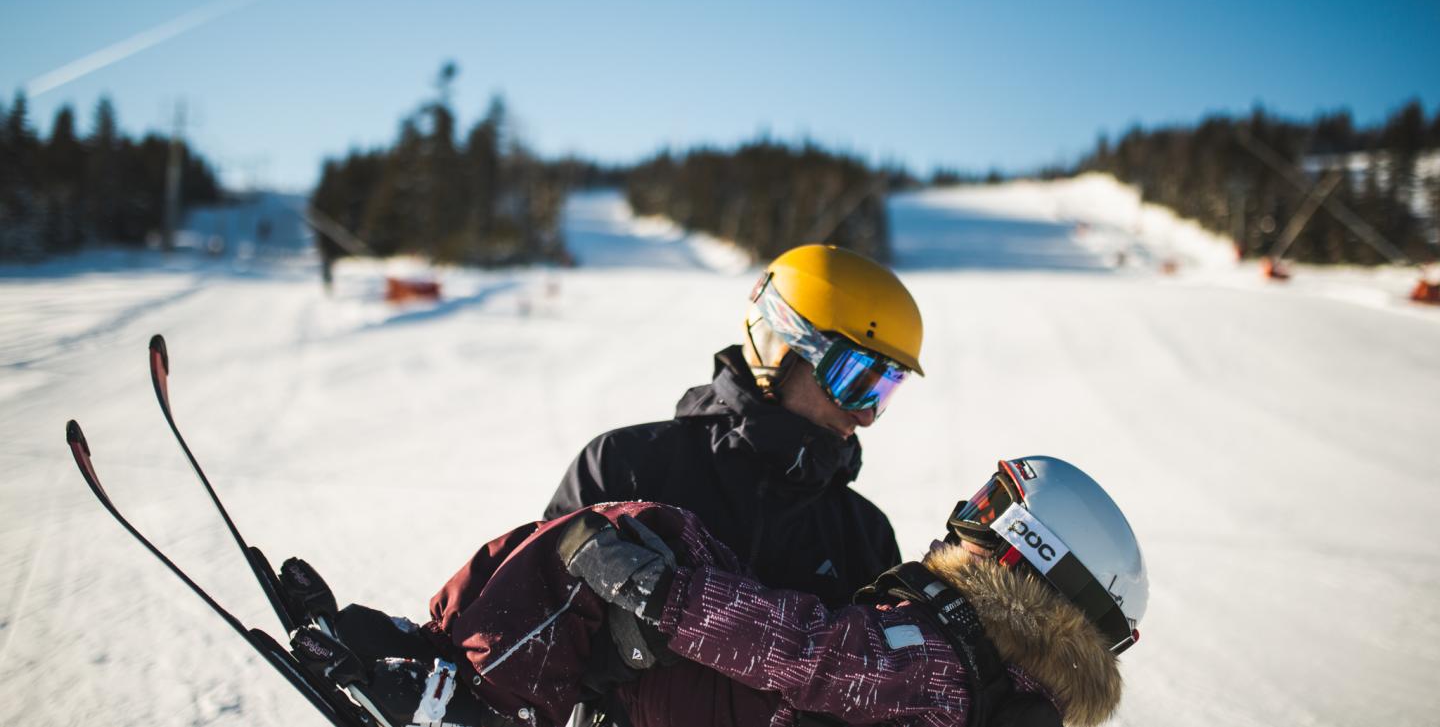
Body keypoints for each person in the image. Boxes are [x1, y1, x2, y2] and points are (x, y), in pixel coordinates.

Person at [291, 455, 1147, 727]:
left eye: (985, 512)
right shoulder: (987, 682)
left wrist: (666, 594)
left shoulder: (942, 658)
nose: (959, 524)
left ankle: (467, 695)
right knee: (652, 536)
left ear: (1027, 558)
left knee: (635, 539)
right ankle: (443, 659)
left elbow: (808, 653)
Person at [546, 243, 926, 608]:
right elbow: (529, 618)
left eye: (883, 390)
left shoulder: (864, 536)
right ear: (780, 348)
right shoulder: (626, 468)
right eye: (854, 382)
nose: (866, 416)